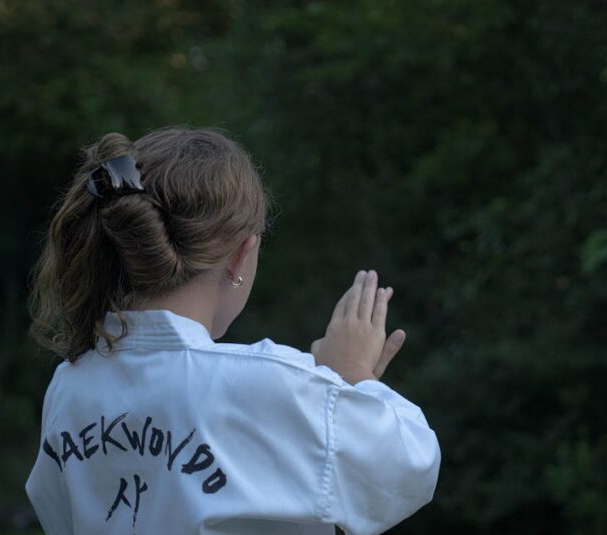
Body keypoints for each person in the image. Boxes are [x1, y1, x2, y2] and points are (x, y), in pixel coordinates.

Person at [25, 127, 441, 535]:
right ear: (242, 255)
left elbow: (59, 515)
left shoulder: (70, 387)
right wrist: (352, 378)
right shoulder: (269, 383)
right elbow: (408, 467)